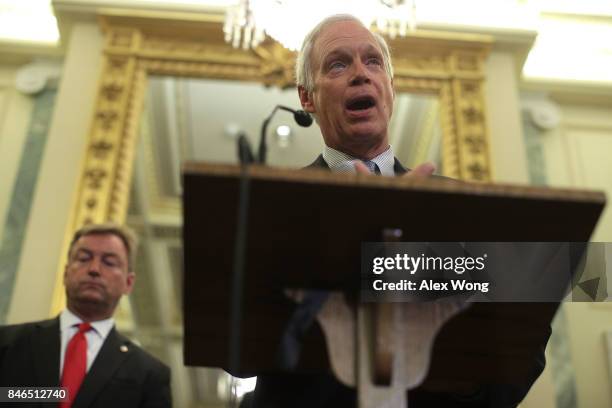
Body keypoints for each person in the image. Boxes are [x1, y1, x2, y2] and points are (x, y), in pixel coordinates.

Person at [249, 14, 547, 408]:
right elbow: (236, 346)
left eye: (373, 62)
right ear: (306, 97)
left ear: (390, 86)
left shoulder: (466, 207)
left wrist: (466, 388)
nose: (360, 74)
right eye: (338, 64)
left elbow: (530, 330)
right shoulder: (273, 205)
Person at [0, 223, 171, 408]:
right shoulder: (8, 343)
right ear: (66, 273)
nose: (94, 269)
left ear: (128, 283)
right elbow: (7, 395)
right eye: (83, 258)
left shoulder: (148, 374)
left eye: (109, 262)